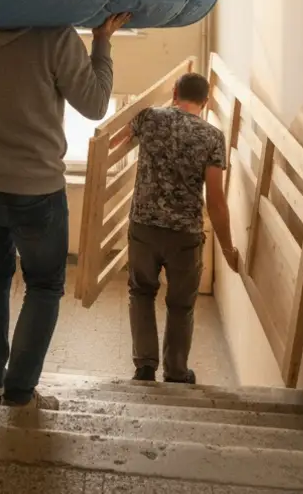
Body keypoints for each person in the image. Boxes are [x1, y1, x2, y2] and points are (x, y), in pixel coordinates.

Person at [0, 12, 131, 409]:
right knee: (43, 287)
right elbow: (96, 104)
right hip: (35, 190)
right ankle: (19, 393)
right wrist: (101, 40)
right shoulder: (54, 35)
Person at [125, 71, 241, 384]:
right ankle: (176, 371)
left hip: (144, 226)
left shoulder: (149, 118)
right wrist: (228, 249)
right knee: (180, 304)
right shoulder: (212, 137)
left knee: (141, 292)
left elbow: (113, 141)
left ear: (175, 92)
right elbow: (215, 200)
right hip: (185, 234)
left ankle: (144, 367)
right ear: (205, 101)